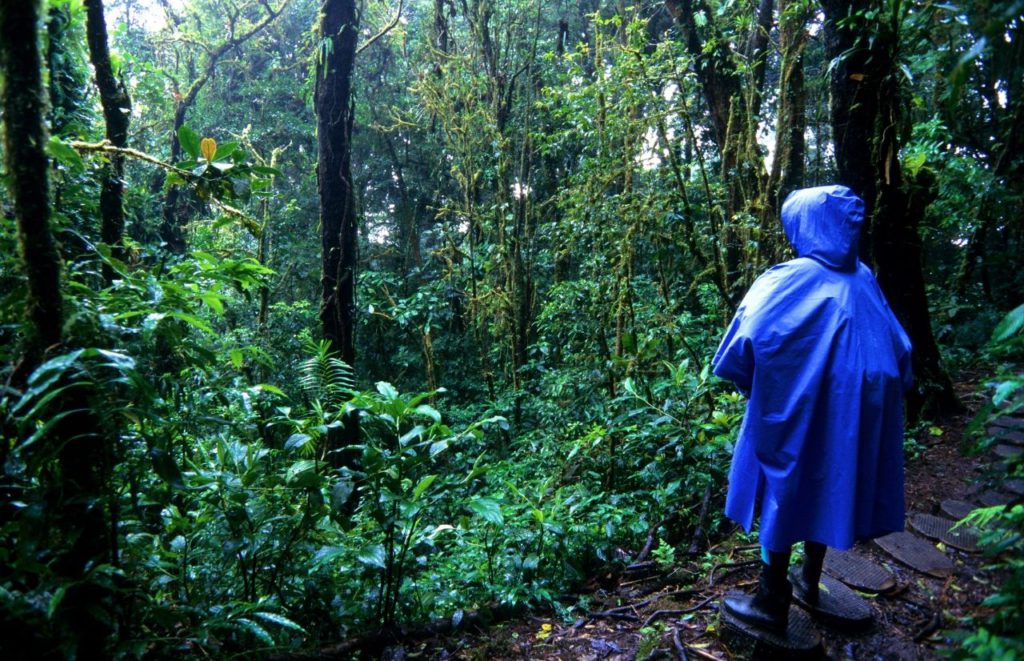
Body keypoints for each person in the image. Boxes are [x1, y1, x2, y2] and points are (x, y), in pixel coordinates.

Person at [711, 185, 913, 633]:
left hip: (793, 409)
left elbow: (744, 342)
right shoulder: (864, 279)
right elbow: (900, 347)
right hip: (854, 416)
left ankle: (770, 600)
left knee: (785, 487)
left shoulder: (787, 278)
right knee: (829, 486)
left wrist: (760, 384)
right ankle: (809, 577)